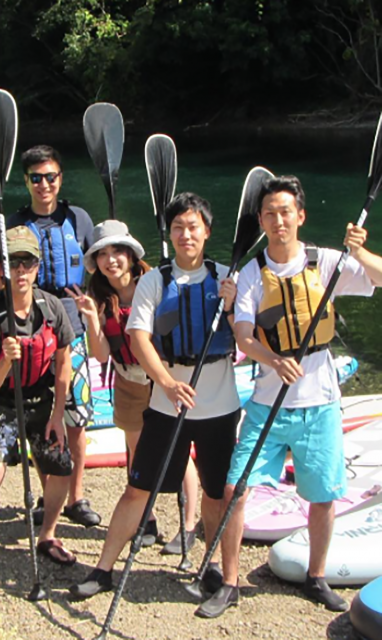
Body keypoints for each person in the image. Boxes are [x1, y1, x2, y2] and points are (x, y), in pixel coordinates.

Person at [204, 175, 382, 618]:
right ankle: (229, 582)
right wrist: (273, 357)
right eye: (270, 214)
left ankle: (316, 576)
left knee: (322, 497)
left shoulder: (327, 262)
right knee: (234, 489)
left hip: (320, 402)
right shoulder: (250, 272)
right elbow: (243, 336)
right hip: (267, 402)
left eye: (286, 212)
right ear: (261, 221)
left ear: (300, 216)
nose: (278, 220)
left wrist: (358, 251)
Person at [70, 193, 239, 600]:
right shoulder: (154, 280)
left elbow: (248, 333)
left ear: (207, 232)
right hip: (165, 404)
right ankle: (104, 569)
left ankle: (212, 566)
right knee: (137, 489)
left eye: (193, 226)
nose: (185, 234)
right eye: (178, 227)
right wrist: (164, 382)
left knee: (218, 494)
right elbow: (139, 337)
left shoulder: (225, 279)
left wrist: (232, 308)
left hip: (219, 405)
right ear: (170, 233)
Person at [0, 226, 76, 584]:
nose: (20, 271)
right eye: (12, 263)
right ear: (1, 268)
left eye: (27, 262)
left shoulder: (52, 307)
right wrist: (4, 361)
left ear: (37, 266)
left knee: (60, 465)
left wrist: (58, 415)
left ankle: (47, 534)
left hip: (39, 400)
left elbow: (63, 363)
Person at [6, 145, 100, 528]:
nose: (44, 184)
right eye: (36, 178)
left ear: (60, 179)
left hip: (73, 333)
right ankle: (49, 497)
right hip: (32, 333)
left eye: (51, 177)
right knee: (39, 419)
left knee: (77, 420)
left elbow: (102, 264)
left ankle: (76, 497)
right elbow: (3, 277)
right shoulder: (13, 224)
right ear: (26, 181)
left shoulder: (78, 219)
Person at [66, 220, 159, 544]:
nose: (111, 260)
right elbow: (101, 355)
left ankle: (187, 522)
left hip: (161, 379)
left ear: (131, 255)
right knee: (139, 450)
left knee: (172, 450)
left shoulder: (154, 283)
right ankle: (147, 517)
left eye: (117, 251)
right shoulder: (99, 296)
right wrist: (92, 319)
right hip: (128, 380)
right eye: (102, 254)